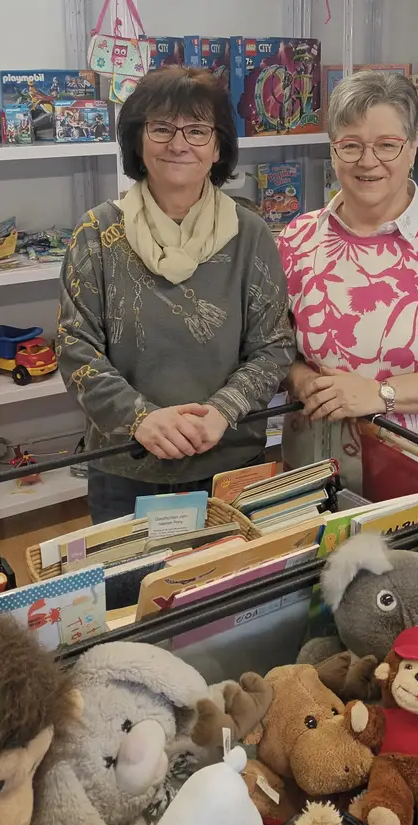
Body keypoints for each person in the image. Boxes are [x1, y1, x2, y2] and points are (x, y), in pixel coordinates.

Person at [57, 67, 294, 522]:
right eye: (162, 128)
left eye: (198, 130)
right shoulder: (96, 234)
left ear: (219, 146)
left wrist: (223, 412)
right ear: (137, 142)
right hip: (126, 466)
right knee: (134, 589)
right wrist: (141, 419)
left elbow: (274, 347)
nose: (179, 143)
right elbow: (75, 349)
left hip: (231, 461)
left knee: (233, 587)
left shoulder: (251, 235)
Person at [277, 70, 418, 469]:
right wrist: (302, 381)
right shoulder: (298, 238)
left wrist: (380, 394)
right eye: (351, 145)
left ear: (413, 149)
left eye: (387, 145)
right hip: (311, 462)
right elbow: (270, 343)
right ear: (332, 152)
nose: (368, 161)